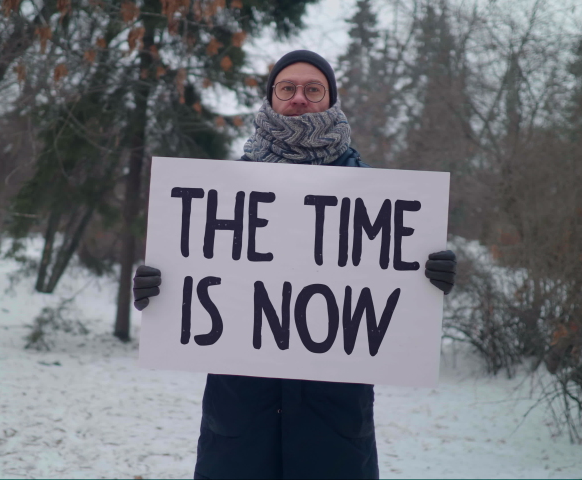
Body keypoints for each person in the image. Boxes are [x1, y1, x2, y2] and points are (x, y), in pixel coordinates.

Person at [132, 50, 457, 479]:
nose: (299, 98)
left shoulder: (373, 194)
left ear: (331, 100)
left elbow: (389, 294)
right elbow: (198, 277)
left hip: (334, 424)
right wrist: (158, 286)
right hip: (239, 421)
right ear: (271, 99)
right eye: (287, 88)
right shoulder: (224, 192)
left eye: (313, 89)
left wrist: (430, 274)